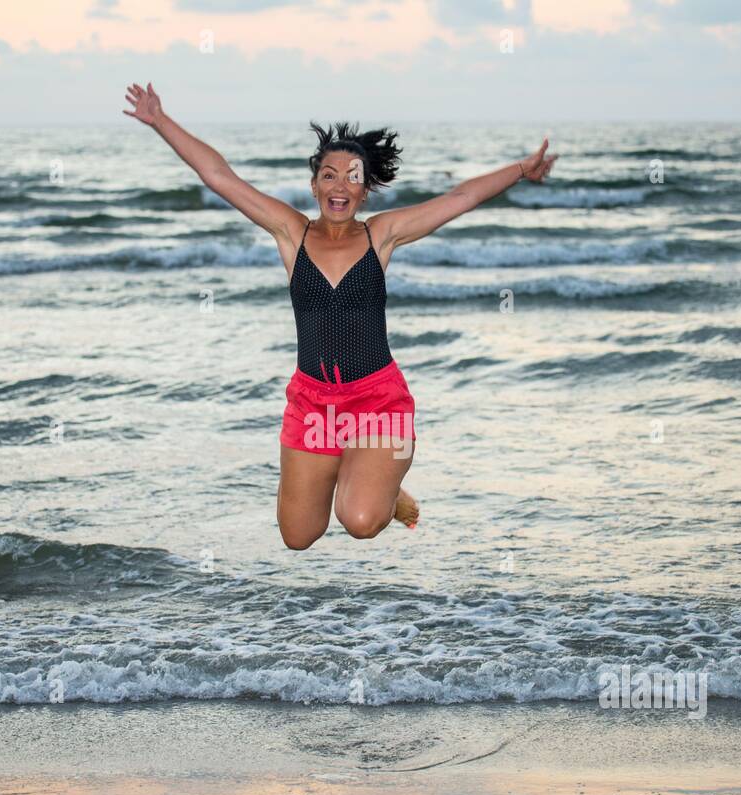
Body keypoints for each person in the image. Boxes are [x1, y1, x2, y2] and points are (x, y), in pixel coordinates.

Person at [123, 82, 557, 549]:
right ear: (314, 186)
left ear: (365, 191)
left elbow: (460, 198)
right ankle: (359, 470)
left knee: (360, 519)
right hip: (312, 405)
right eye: (329, 175)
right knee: (298, 536)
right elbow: (219, 175)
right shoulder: (291, 233)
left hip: (377, 403)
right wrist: (160, 120)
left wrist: (519, 170)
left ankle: (381, 490)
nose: (340, 185)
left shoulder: (381, 236)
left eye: (353, 177)